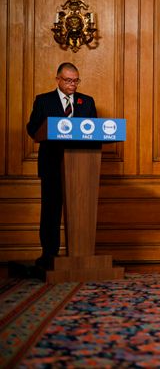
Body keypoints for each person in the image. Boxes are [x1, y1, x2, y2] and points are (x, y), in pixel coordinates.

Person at [26, 63, 98, 269]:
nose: (72, 85)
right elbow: (32, 129)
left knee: (81, 210)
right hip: (52, 165)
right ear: (58, 79)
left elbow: (94, 131)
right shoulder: (43, 101)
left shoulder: (87, 102)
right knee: (51, 210)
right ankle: (49, 255)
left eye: (76, 80)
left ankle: (81, 255)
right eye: (68, 80)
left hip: (82, 165)